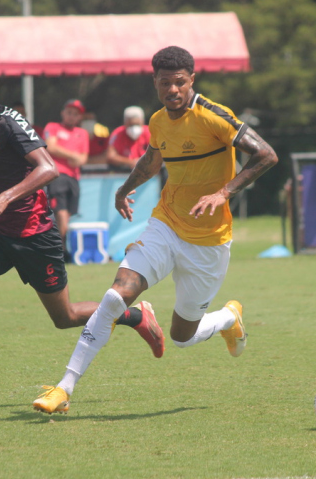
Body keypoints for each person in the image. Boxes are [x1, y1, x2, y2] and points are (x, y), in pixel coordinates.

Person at [32, 46, 278, 414]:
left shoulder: (214, 116)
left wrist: (223, 192)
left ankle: (229, 317)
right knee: (117, 295)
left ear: (191, 80)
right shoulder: (159, 120)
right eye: (165, 83)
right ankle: (64, 387)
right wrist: (125, 188)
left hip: (208, 243)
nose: (173, 90)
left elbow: (266, 155)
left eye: (179, 82)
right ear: (156, 83)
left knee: (182, 337)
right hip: (166, 224)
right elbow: (152, 158)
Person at [0, 73, 164, 395]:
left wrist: (5, 197)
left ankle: (135, 316)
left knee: (65, 317)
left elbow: (50, 168)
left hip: (35, 234)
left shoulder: (10, 125)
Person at [43, 99, 89, 261]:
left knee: (67, 214)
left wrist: (74, 157)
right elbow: (51, 146)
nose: (71, 116)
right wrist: (72, 155)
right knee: (60, 211)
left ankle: (61, 246)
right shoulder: (53, 127)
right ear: (63, 113)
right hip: (57, 175)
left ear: (79, 117)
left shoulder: (82, 133)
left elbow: (83, 159)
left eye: (75, 114)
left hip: (73, 178)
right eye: (69, 112)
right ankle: (60, 248)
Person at [106, 106, 151, 172]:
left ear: (142, 122)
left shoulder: (149, 132)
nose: (134, 128)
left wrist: (142, 162)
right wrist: (131, 162)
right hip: (123, 175)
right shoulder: (118, 133)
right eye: (131, 124)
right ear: (125, 123)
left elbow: (159, 155)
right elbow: (110, 157)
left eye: (137, 124)